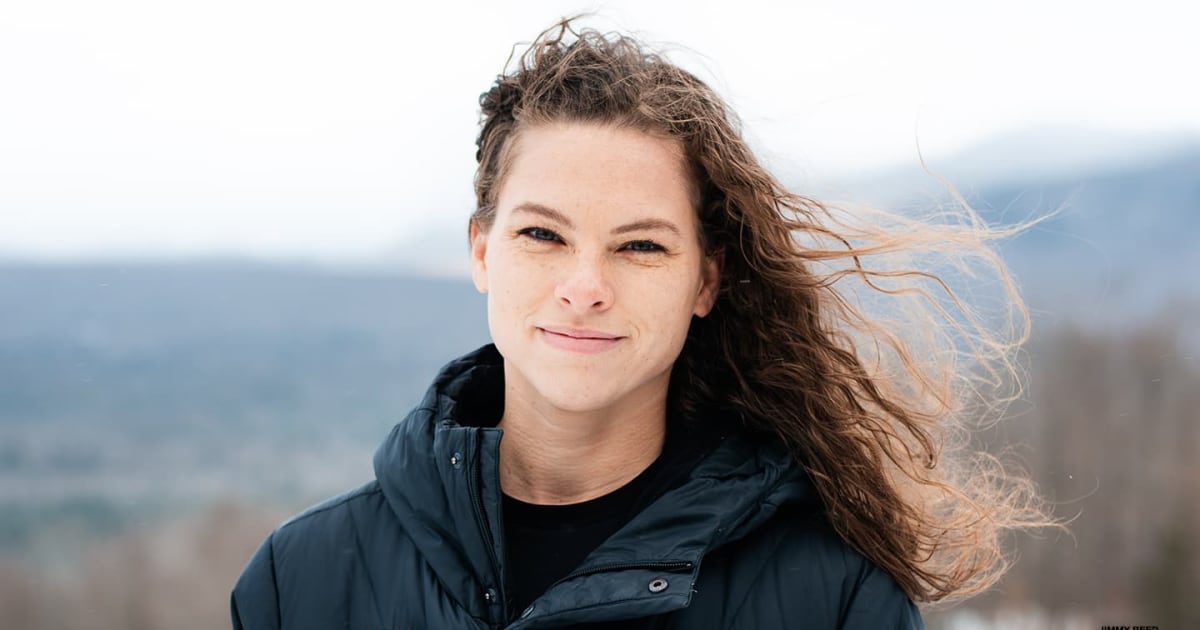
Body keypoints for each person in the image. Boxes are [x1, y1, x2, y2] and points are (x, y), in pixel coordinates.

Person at [231, 18, 1055, 629]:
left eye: (640, 246)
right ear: (482, 251)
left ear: (705, 280)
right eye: (543, 235)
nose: (585, 287)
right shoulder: (300, 583)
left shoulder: (830, 595)